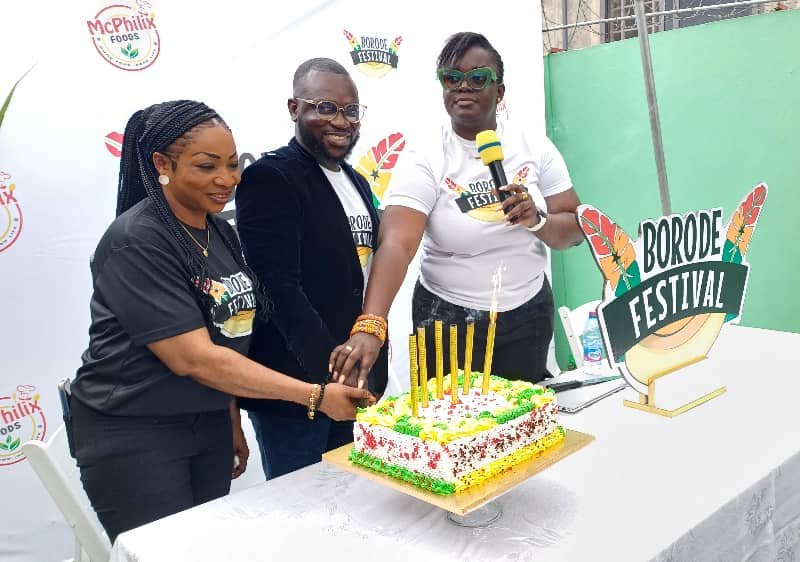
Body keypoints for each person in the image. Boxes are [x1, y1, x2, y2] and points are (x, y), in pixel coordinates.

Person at [69, 100, 374, 542]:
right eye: (207, 166)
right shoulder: (136, 241)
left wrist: (229, 418)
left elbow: (227, 337)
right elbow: (195, 358)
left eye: (232, 165)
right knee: (167, 552)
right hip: (137, 434)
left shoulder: (219, 231)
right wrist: (315, 395)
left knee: (209, 548)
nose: (227, 179)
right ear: (161, 164)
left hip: (206, 423)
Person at [329, 32, 584, 387]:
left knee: (518, 428)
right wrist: (372, 324)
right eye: (452, 78)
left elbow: (574, 229)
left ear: (501, 91)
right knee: (453, 432)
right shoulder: (426, 156)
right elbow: (397, 244)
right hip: (447, 324)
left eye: (479, 78)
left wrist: (536, 219)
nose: (464, 87)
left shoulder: (534, 147)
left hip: (527, 317)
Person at [234, 58, 388, 480]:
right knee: (304, 519)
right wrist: (330, 379)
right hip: (300, 395)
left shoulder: (356, 181)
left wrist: (362, 371)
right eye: (324, 107)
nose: (340, 121)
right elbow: (277, 289)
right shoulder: (270, 177)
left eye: (350, 110)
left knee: (357, 508)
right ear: (293, 108)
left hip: (354, 386)